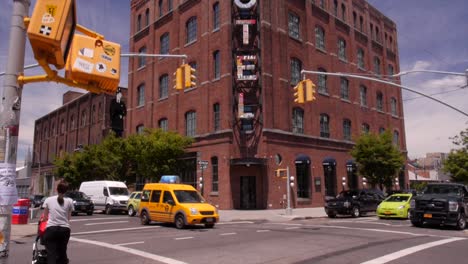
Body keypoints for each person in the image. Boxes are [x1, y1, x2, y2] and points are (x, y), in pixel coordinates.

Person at [42, 180, 74, 264]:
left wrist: (42, 220)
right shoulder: (70, 201)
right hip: (65, 230)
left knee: (51, 254)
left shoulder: (48, 200)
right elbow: (68, 218)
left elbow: (45, 218)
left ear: (57, 189)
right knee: (62, 252)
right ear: (66, 190)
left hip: (51, 230)